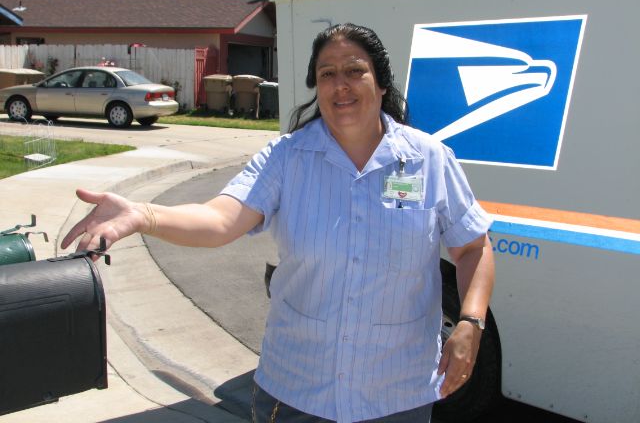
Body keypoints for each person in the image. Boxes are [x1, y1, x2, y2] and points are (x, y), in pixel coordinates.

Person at [62, 23, 495, 423]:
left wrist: (470, 323)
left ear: (381, 83)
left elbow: (473, 248)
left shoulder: (428, 160)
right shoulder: (286, 158)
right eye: (326, 74)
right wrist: (144, 214)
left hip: (397, 396)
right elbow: (220, 219)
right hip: (297, 393)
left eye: (354, 71)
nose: (340, 85)